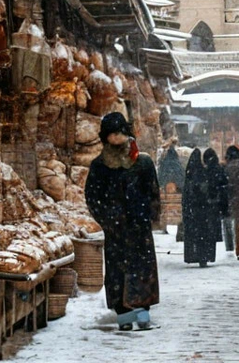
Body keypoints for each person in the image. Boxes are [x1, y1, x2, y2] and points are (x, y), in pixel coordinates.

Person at [85, 112, 162, 331]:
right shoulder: (99, 166)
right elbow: (92, 197)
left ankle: (143, 316)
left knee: (142, 273)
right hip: (115, 231)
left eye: (120, 132)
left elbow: (153, 192)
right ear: (105, 137)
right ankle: (124, 319)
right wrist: (107, 219)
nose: (117, 138)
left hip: (139, 229)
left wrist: (149, 215)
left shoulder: (143, 161)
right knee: (117, 275)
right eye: (112, 134)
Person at [182, 148, 221, 267]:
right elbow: (207, 190)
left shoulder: (189, 175)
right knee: (204, 234)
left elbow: (187, 194)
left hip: (192, 210)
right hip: (203, 210)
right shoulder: (203, 173)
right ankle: (204, 256)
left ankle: (193, 255)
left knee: (194, 235)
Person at [204, 149, 233, 253]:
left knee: (211, 224)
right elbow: (225, 181)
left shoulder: (205, 170)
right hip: (222, 198)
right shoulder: (220, 168)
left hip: (211, 200)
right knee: (227, 222)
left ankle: (211, 245)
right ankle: (230, 245)